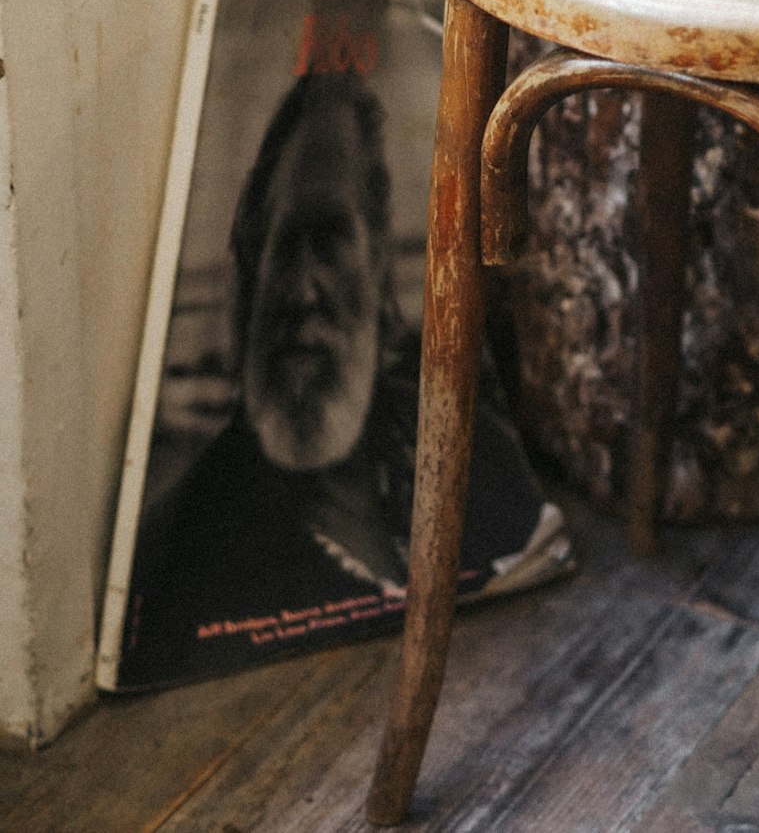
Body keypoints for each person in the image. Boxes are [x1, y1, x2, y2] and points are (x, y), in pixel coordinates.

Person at [117, 70, 551, 689]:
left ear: (376, 263)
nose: (301, 292)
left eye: (329, 240)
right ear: (251, 270)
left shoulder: (476, 453)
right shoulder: (185, 557)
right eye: (283, 243)